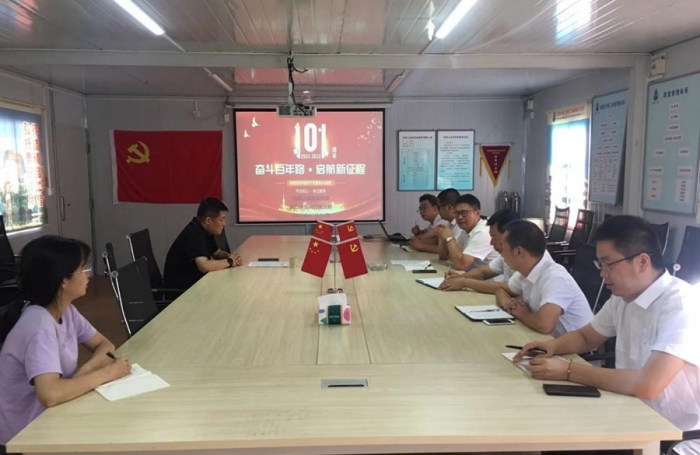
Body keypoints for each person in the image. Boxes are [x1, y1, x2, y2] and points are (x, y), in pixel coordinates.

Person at [516, 216, 700, 455]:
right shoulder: (623, 298)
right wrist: (551, 347)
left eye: (609, 264)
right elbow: (586, 337)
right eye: (599, 264)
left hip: (675, 439)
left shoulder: (682, 305)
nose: (602, 274)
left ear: (642, 262)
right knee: (547, 432)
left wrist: (568, 370)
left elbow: (649, 385)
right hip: (629, 414)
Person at [0, 236, 131, 446]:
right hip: (24, 437)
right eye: (82, 269)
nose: (87, 275)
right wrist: (108, 372)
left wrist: (83, 373)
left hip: (50, 418)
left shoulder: (65, 311)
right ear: (63, 280)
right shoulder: (38, 325)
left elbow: (105, 345)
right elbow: (50, 394)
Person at [495, 219, 592, 337]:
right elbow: (501, 289)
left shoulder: (555, 277)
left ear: (518, 251)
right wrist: (507, 302)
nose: (501, 254)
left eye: (503, 248)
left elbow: (545, 325)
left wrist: (522, 313)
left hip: (575, 347)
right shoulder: (526, 271)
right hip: (548, 340)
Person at [163, 197, 242, 291]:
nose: (224, 224)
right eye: (221, 220)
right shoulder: (195, 234)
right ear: (208, 221)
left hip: (195, 284)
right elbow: (203, 266)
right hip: (182, 292)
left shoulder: (204, 230)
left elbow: (217, 253)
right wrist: (230, 261)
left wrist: (230, 256)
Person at [439, 209, 520, 294]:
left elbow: (507, 288)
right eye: (457, 213)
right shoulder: (504, 256)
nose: (491, 242)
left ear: (507, 235)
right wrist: (460, 278)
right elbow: (482, 273)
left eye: (494, 237)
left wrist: (464, 282)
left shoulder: (524, 258)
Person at [436, 194, 497, 271]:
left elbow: (461, 265)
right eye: (457, 213)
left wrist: (449, 238)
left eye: (464, 213)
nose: (460, 217)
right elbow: (444, 256)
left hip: (487, 278)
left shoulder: (482, 232)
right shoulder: (465, 229)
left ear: (477, 213)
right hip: (471, 274)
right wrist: (442, 236)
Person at [410, 188, 461, 254]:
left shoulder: (458, 225)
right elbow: (438, 242)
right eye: (420, 209)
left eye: (439, 207)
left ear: (448, 207)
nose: (438, 210)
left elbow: (449, 251)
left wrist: (421, 245)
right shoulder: (450, 223)